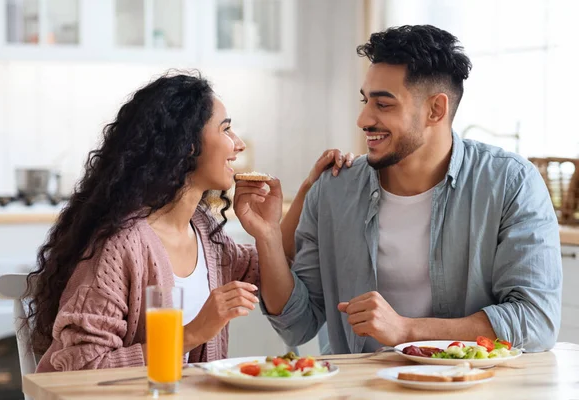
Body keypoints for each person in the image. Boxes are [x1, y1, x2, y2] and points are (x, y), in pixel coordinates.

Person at [257, 25, 562, 354]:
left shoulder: (510, 183)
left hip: (468, 385)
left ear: (436, 110)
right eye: (365, 101)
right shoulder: (335, 189)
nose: (363, 119)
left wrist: (407, 330)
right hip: (358, 388)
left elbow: (536, 322)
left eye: (383, 105)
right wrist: (267, 237)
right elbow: (297, 325)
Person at [28, 71, 354, 372]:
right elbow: (77, 367)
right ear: (187, 145)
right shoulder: (120, 245)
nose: (238, 144)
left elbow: (268, 267)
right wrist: (193, 332)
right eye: (226, 129)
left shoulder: (202, 231)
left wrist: (310, 190)